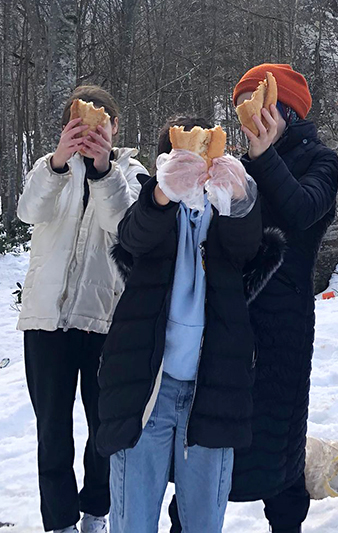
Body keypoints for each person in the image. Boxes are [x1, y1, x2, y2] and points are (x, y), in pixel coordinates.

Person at [169, 64, 338, 533]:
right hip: (226, 320)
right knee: (209, 435)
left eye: (260, 103)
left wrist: (262, 157)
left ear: (286, 108)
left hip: (283, 323)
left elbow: (302, 214)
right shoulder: (234, 160)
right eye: (243, 105)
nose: (251, 116)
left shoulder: (321, 160)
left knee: (279, 445)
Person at [95, 116, 284, 532]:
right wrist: (163, 191)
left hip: (213, 388)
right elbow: (132, 238)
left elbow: (247, 248)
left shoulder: (225, 204)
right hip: (145, 391)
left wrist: (239, 197)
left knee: (203, 522)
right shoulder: (153, 204)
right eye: (183, 158)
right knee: (132, 521)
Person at [17, 85, 144, 533]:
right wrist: (57, 162)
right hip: (45, 319)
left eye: (103, 123)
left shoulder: (133, 173)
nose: (93, 131)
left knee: (102, 427)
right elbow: (28, 212)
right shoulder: (49, 167)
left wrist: (104, 169)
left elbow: (128, 228)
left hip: (104, 320)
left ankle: (96, 511)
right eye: (86, 122)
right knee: (51, 429)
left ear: (115, 127)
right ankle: (60, 522)